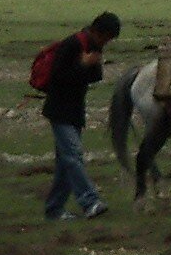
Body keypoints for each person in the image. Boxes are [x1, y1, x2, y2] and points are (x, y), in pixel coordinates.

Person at [44, 11, 120, 221]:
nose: (105, 43)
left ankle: (54, 209)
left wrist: (90, 64)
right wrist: (83, 65)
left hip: (75, 110)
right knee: (73, 155)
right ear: (97, 31)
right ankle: (90, 201)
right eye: (105, 37)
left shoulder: (93, 46)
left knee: (65, 162)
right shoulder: (71, 44)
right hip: (60, 110)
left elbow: (95, 77)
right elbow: (57, 77)